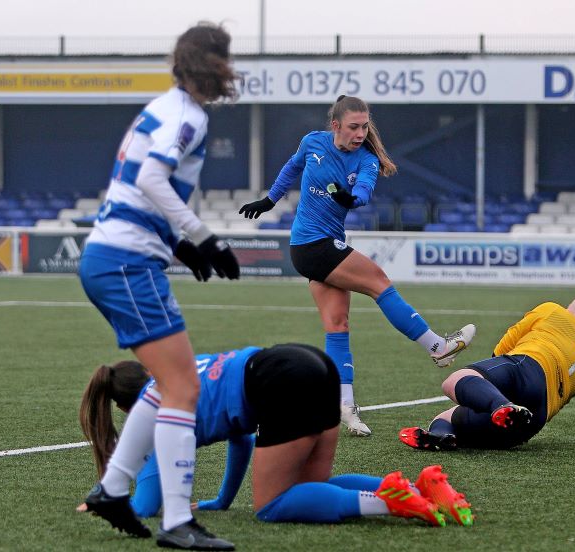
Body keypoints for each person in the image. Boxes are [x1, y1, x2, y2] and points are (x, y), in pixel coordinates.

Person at [77, 22, 241, 550]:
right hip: (124, 261)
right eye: (227, 59)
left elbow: (136, 188)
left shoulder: (165, 106)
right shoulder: (188, 115)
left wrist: (178, 246)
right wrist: (203, 237)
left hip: (122, 257)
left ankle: (112, 489)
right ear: (214, 64)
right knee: (183, 388)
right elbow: (150, 178)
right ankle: (176, 522)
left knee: (167, 384)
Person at [238, 95, 476, 437]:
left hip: (319, 247)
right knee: (380, 282)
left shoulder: (365, 160)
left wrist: (347, 198)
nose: (361, 132)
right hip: (310, 244)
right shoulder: (313, 142)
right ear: (335, 126)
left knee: (338, 325)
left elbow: (362, 193)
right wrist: (269, 200)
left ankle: (345, 406)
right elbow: (292, 167)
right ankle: (437, 347)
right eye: (353, 126)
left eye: (365, 125)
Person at [79, 343, 474, 528]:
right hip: (309, 362)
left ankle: (389, 503)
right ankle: (422, 488)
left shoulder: (153, 411)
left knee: (269, 506)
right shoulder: (178, 374)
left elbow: (146, 507)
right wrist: (220, 500)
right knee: (312, 487)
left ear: (125, 410)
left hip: (280, 381)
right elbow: (241, 438)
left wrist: (105, 501)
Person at [399, 290, 575, 451]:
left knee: (454, 381)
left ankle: (501, 405)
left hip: (529, 367)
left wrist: (492, 373)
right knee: (447, 417)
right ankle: (442, 437)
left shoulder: (554, 311)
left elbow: (510, 338)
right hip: (533, 419)